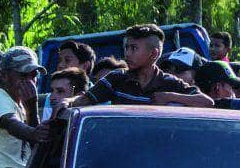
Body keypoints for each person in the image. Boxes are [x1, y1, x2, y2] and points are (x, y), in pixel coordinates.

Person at [82, 26, 210, 108]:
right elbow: (85, 99)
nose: (127, 54)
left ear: (153, 54)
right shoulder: (116, 78)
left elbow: (207, 102)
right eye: (126, 48)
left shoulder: (170, 83)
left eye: (134, 48)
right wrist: (68, 102)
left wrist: (169, 97)